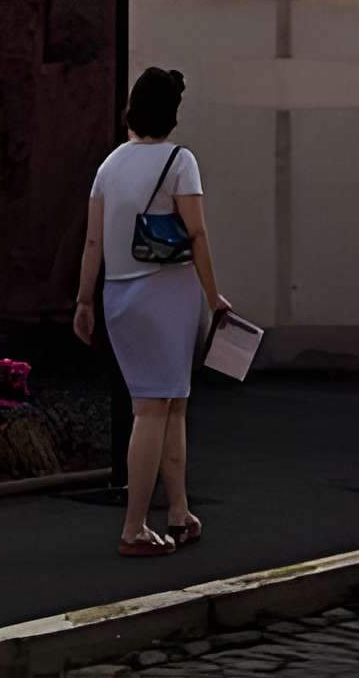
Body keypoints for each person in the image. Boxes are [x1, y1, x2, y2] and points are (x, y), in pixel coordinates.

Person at [73, 65, 225, 556]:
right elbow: (197, 233)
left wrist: (82, 299)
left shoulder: (110, 165)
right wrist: (214, 294)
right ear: (172, 113)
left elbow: (93, 239)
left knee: (169, 402)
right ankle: (135, 526)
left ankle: (178, 511)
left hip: (118, 294)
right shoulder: (182, 161)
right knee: (157, 407)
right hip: (168, 296)